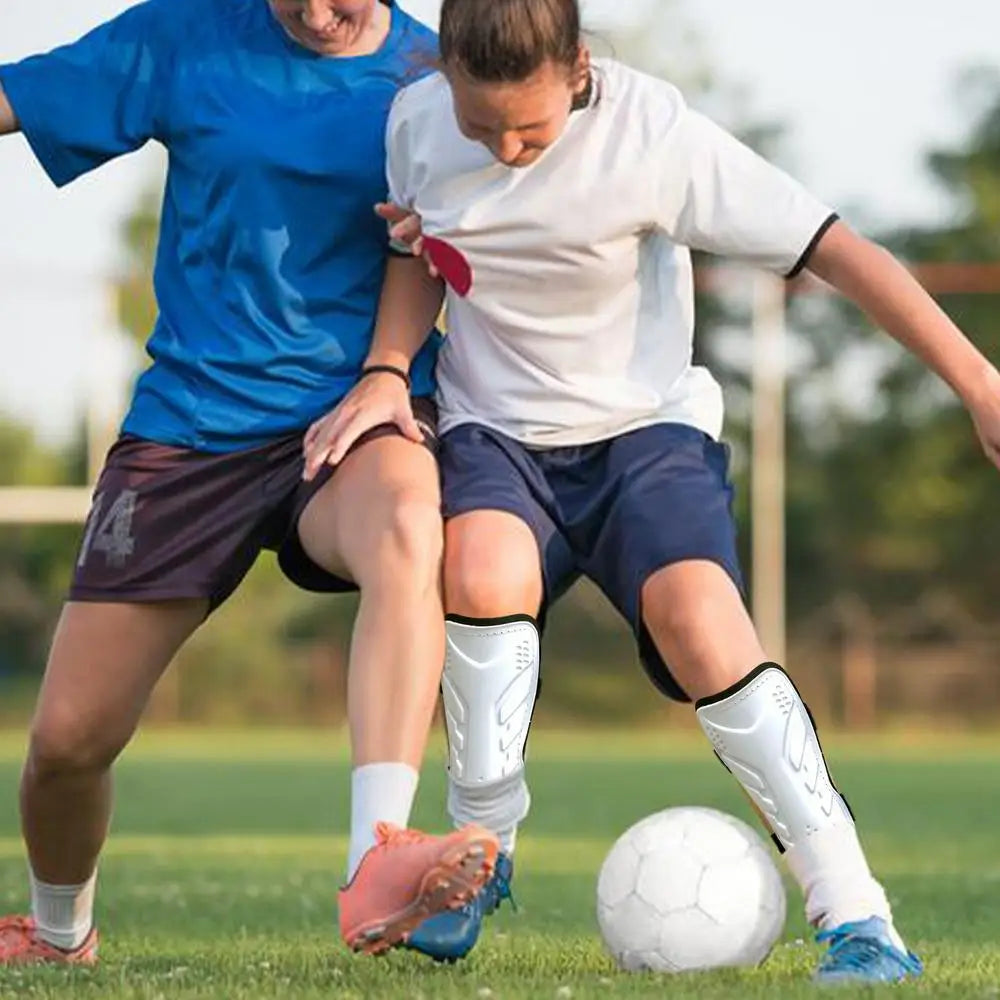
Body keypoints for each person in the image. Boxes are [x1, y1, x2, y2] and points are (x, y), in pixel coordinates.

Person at [303, 0, 1000, 982]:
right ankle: (478, 859)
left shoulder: (655, 135)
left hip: (644, 433)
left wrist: (979, 383)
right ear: (444, 76)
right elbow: (419, 253)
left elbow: (839, 249)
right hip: (494, 431)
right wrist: (386, 365)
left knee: (701, 620)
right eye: (480, 124)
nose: (504, 149)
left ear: (579, 68)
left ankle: (856, 911)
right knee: (483, 568)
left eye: (529, 128)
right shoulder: (417, 121)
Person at [0, 0, 500, 965]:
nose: (315, 12)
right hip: (190, 430)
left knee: (408, 520)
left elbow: (459, 233)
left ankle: (377, 861)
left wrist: (386, 372)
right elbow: (19, 98)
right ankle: (59, 933)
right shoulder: (184, 38)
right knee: (66, 744)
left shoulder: (434, 81)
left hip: (354, 412)